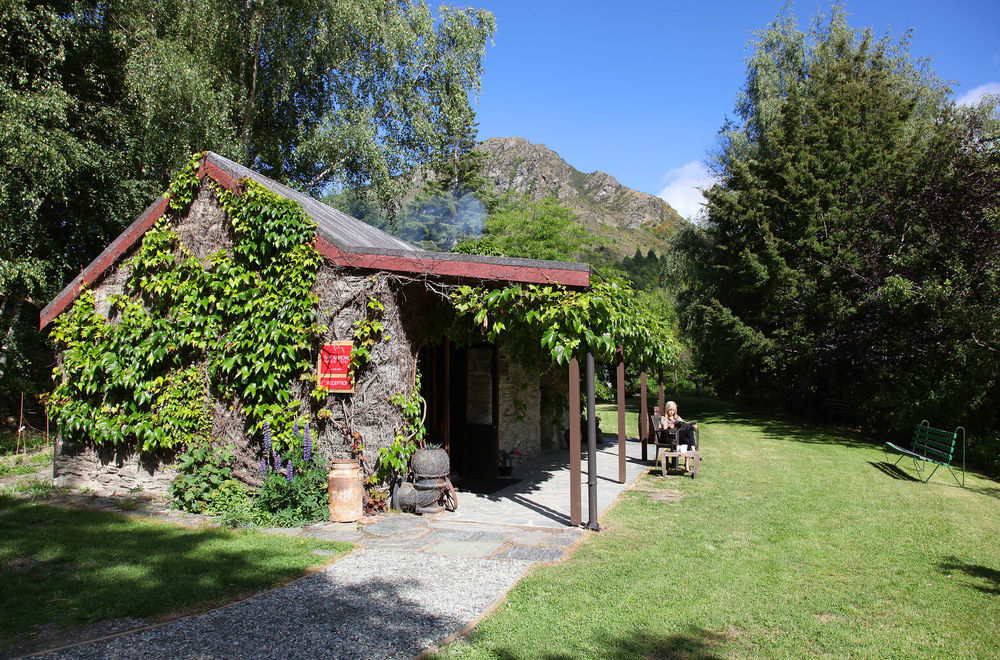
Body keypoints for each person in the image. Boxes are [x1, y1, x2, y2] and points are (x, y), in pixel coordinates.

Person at [659, 401, 697, 471]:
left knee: (687, 440)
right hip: (671, 437)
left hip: (679, 436)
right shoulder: (664, 418)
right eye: (670, 410)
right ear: (667, 410)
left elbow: (684, 423)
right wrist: (669, 426)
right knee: (689, 432)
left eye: (673, 410)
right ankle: (694, 451)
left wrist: (692, 426)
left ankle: (687, 464)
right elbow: (664, 427)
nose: (672, 412)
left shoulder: (677, 417)